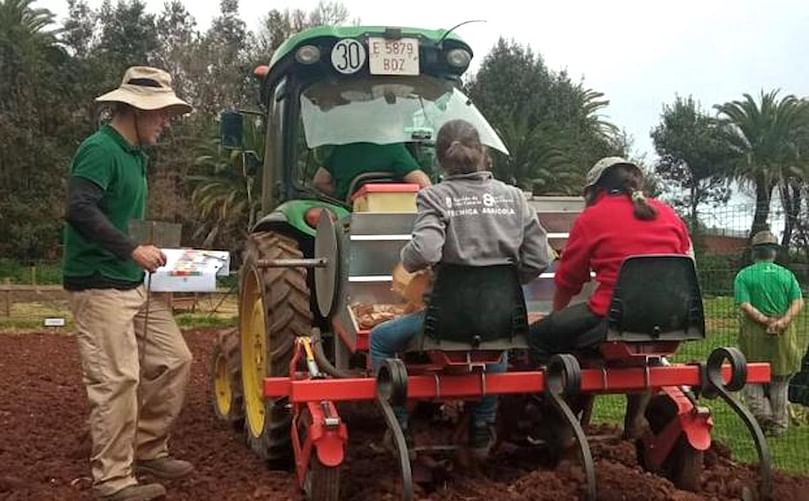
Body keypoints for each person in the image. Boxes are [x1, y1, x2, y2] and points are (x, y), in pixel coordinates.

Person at [369, 119, 550, 459]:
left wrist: (405, 261)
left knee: (380, 340)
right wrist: (510, 283)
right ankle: (483, 425)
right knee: (497, 340)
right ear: (483, 154)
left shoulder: (435, 197)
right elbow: (539, 258)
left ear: (440, 161)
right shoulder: (514, 198)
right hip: (499, 317)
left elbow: (424, 251)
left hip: (446, 320)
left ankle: (401, 426)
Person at [63, 66, 194, 501]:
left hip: (132, 280)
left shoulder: (136, 155)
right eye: (160, 113)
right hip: (99, 283)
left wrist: (147, 249)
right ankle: (113, 480)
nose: (166, 121)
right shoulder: (100, 149)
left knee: (175, 360)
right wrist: (129, 249)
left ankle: (148, 447)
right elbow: (80, 210)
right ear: (134, 110)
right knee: (117, 379)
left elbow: (116, 216)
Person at [528, 157, 692, 361]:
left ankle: (559, 389)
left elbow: (568, 282)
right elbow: (687, 261)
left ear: (595, 190)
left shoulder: (591, 218)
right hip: (673, 317)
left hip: (614, 317)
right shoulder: (668, 213)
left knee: (535, 339)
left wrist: (556, 317)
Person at [734, 230, 804, 437]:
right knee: (780, 381)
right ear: (774, 252)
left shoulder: (744, 275)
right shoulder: (786, 275)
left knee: (751, 376)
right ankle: (779, 425)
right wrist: (782, 322)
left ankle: (762, 415)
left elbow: (745, 306)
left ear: (754, 252)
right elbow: (798, 302)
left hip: (754, 335)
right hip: (783, 335)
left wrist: (765, 321)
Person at [312, 142, 432, 200]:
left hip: (349, 216)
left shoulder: (342, 149)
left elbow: (319, 182)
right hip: (396, 216)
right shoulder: (393, 148)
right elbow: (424, 186)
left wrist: (343, 196)